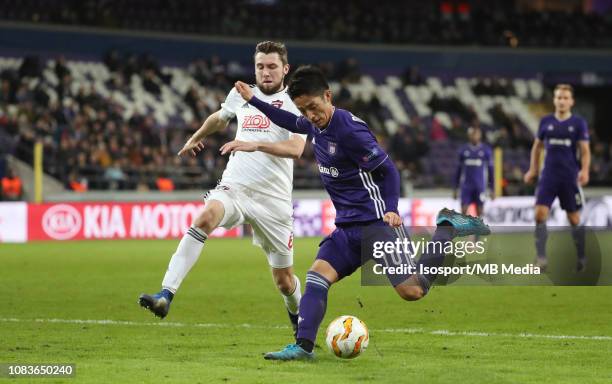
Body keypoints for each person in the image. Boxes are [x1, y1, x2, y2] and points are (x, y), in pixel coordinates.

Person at [225, 65, 490, 360]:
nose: (310, 115)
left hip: (377, 224)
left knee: (412, 292)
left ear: (328, 96)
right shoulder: (316, 124)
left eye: (313, 107)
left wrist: (391, 209)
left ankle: (447, 228)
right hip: (347, 228)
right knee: (316, 276)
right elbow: (288, 119)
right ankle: (303, 347)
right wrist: (253, 100)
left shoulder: (350, 130)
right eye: (304, 109)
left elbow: (388, 171)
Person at [139, 41, 307, 337]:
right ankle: (166, 293)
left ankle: (298, 322)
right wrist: (196, 136)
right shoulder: (241, 93)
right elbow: (220, 118)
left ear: (285, 69)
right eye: (260, 66)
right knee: (205, 217)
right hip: (236, 187)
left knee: (284, 281)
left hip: (274, 201)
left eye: (271, 66)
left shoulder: (297, 100)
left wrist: (255, 144)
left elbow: (296, 148)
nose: (265, 72)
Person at [523, 84, 590, 272]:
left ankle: (582, 256)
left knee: (574, 218)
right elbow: (537, 147)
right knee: (539, 214)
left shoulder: (578, 124)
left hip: (569, 178)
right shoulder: (545, 122)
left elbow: (584, 150)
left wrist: (584, 171)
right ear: (554, 100)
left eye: (565, 98)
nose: (561, 101)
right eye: (559, 97)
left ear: (571, 101)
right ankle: (541, 258)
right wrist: (533, 169)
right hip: (548, 177)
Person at [453, 126, 494, 217]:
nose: (474, 136)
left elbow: (491, 171)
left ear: (480, 135)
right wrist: (455, 188)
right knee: (463, 210)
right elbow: (458, 171)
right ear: (469, 136)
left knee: (480, 212)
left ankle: (478, 230)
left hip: (480, 186)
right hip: (466, 186)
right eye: (473, 134)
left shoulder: (486, 150)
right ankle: (463, 230)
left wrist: (492, 189)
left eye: (477, 134)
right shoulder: (463, 150)